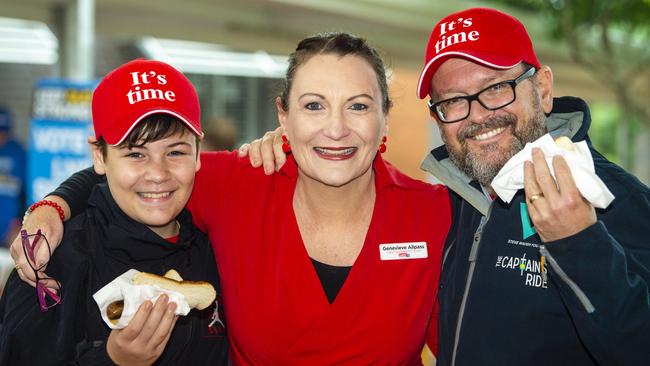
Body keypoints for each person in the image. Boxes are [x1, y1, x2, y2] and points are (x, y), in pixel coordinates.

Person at [239, 7, 650, 366]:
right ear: (438, 119)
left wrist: (578, 242)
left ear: (541, 89)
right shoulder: (454, 203)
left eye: (495, 88)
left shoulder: (615, 200)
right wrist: (291, 141)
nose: (478, 116)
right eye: (453, 101)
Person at [10, 33, 452, 364]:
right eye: (314, 106)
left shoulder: (433, 212)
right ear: (284, 116)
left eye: (358, 106)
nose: (335, 128)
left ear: (385, 117)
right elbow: (133, 176)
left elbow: (463, 342)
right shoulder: (237, 184)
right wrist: (53, 205)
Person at [0, 59, 229, 365]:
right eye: (135, 154)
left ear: (199, 153)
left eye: (175, 152)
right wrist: (111, 359)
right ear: (99, 156)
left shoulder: (220, 243)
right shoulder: (50, 260)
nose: (157, 174)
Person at [0, 107, 26, 247]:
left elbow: (26, 190)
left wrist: (20, 220)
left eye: (3, 132)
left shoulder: (18, 151)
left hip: (10, 225)